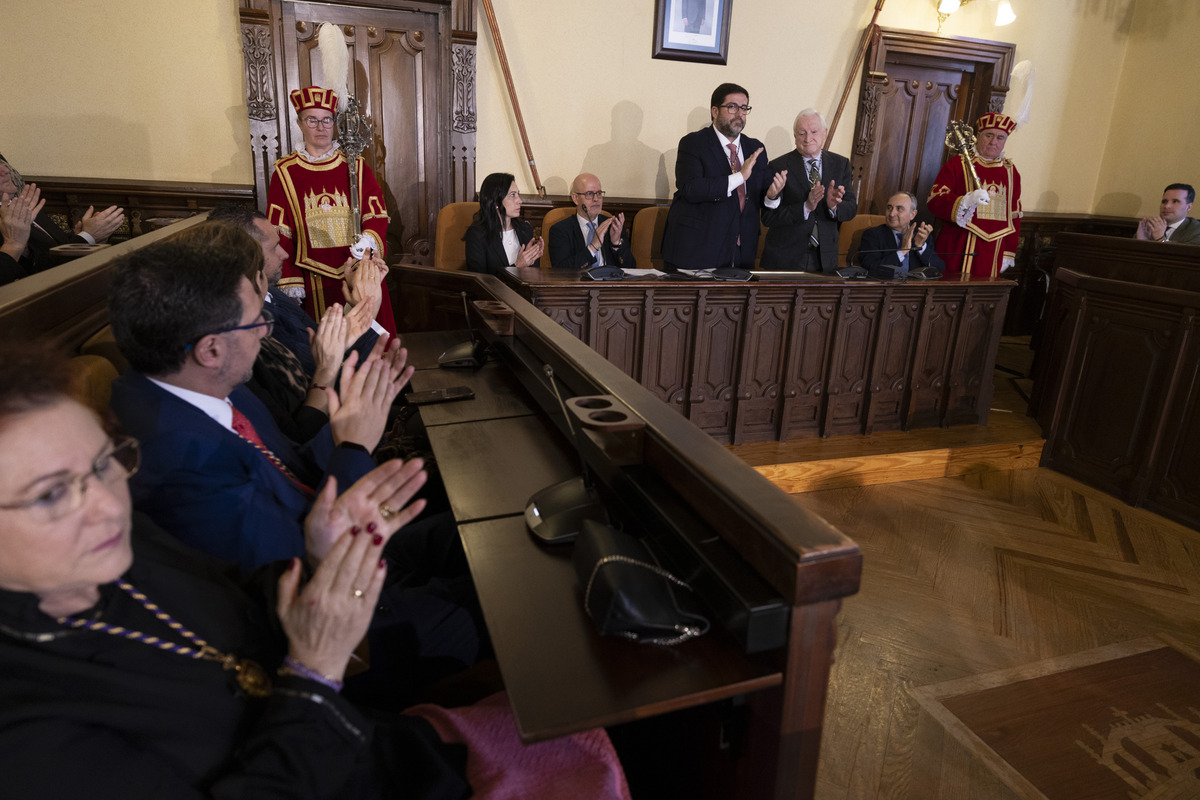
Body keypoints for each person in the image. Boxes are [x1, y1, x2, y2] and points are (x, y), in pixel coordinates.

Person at [0, 343, 630, 799]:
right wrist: (313, 671)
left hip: (361, 744)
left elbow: (238, 601)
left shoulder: (122, 545)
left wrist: (318, 553)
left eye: (107, 463)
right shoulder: (22, 737)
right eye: (54, 494)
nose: (109, 503)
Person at [106, 230, 408, 571]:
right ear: (211, 350)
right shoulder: (180, 459)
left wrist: (353, 418)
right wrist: (353, 447)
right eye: (257, 321)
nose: (266, 331)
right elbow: (300, 559)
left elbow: (293, 466)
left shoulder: (208, 384)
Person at [266, 86, 397, 334]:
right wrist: (290, 279)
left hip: (359, 274)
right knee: (323, 344)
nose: (321, 127)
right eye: (312, 120)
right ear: (300, 123)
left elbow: (376, 213)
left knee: (368, 346)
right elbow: (278, 232)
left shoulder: (356, 166)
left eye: (327, 120)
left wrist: (369, 240)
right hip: (312, 277)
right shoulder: (285, 171)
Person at [661, 83, 786, 272]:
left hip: (742, 254)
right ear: (714, 111)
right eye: (732, 107)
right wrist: (740, 177)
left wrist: (772, 195)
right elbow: (691, 189)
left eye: (744, 108)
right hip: (698, 251)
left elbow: (763, 198)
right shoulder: (693, 143)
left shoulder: (755, 147)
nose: (739, 114)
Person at [0, 155, 124, 286]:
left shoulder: (21, 204)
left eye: (2, 164)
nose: (6, 170)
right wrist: (87, 237)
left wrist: (88, 238)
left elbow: (52, 250)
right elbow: (36, 274)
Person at [759, 109, 857, 273]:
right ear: (795, 136)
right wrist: (805, 207)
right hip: (786, 257)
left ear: (824, 133)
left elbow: (851, 209)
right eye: (802, 133)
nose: (808, 138)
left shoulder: (840, 164)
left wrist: (834, 207)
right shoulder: (778, 166)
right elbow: (768, 218)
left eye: (814, 131)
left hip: (825, 259)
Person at [927, 112, 1022, 280]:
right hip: (958, 244)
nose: (994, 142)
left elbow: (1014, 217)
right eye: (989, 135)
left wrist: (1008, 253)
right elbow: (934, 200)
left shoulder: (1011, 172)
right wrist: (964, 201)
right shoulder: (958, 164)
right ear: (978, 135)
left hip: (993, 251)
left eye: (1000, 137)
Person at [548, 173, 636, 270]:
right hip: (579, 284)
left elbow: (631, 268)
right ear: (575, 198)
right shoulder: (560, 230)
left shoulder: (614, 226)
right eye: (589, 194)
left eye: (599, 193)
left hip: (609, 284)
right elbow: (561, 270)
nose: (596, 199)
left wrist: (616, 243)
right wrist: (593, 247)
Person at [463, 172, 543, 275]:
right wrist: (517, 266)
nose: (520, 201)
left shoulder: (525, 229)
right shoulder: (477, 235)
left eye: (518, 194)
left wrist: (533, 258)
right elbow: (480, 282)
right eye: (512, 195)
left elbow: (533, 277)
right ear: (496, 201)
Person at [857, 192, 945, 278]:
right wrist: (902, 252)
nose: (891, 214)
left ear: (912, 214)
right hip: (885, 287)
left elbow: (939, 268)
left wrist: (921, 247)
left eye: (899, 209)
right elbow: (869, 268)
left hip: (916, 289)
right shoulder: (873, 235)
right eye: (889, 208)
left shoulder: (921, 236)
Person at [1134, 183, 1200, 244]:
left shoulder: (1196, 230)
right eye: (1164, 201)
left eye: (1175, 201)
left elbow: (1186, 255)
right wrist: (1141, 242)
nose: (1166, 206)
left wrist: (1160, 239)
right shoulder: (1149, 225)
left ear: (1188, 207)